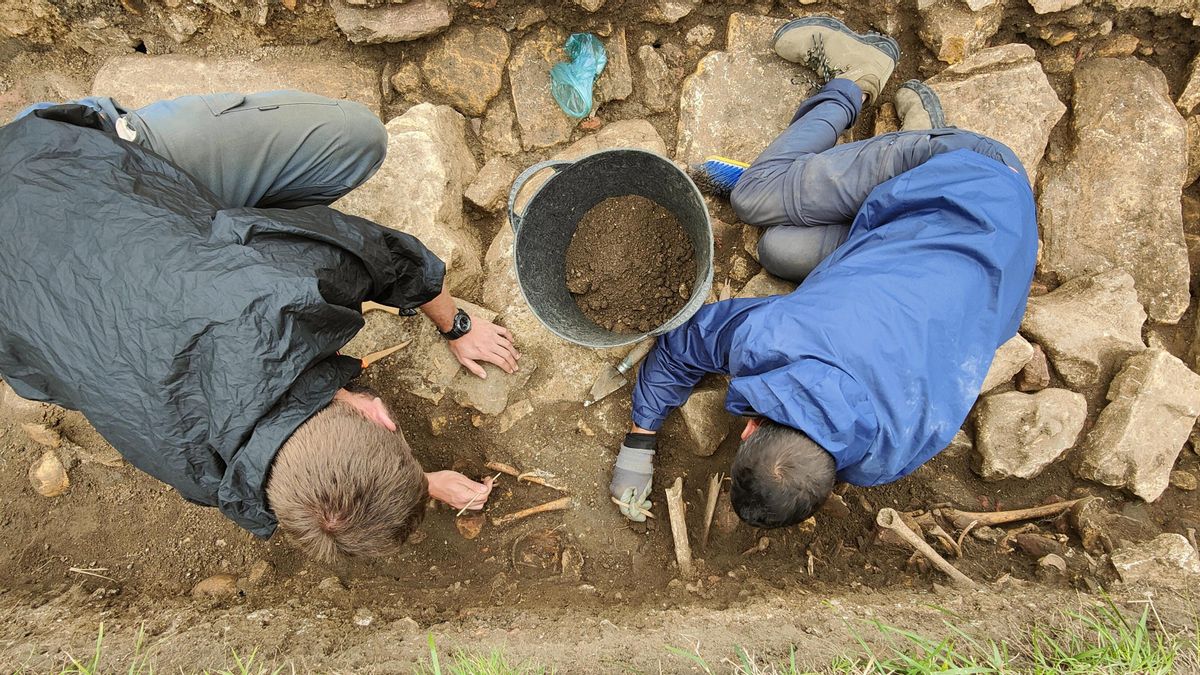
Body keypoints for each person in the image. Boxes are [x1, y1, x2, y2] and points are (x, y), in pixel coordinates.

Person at [0, 91, 520, 561]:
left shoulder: (282, 289)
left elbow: (390, 260)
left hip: (62, 180)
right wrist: (413, 484)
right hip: (50, 203)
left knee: (351, 144)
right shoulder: (196, 469)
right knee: (347, 150)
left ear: (382, 416)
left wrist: (458, 327)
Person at [610, 17, 1037, 527]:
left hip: (986, 228)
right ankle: (885, 104)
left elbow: (689, 347)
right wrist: (638, 440)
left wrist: (642, 439)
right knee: (764, 221)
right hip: (968, 191)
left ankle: (875, 106)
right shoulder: (779, 340)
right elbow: (686, 344)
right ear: (748, 432)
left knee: (768, 228)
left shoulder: (891, 454)